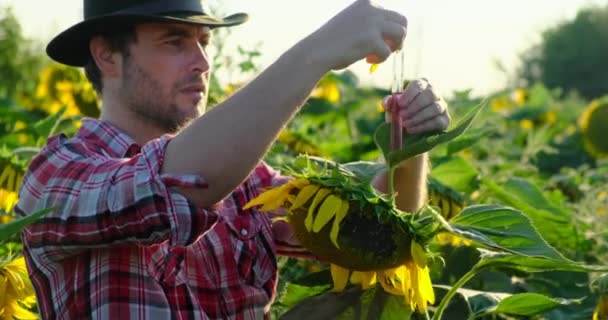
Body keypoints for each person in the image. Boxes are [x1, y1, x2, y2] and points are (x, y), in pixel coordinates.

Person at [15, 0, 450, 318]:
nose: (203, 62)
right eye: (175, 42)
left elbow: (372, 242)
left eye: (204, 42)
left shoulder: (249, 182)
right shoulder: (56, 176)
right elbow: (180, 181)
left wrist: (407, 151)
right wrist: (316, 52)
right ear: (107, 55)